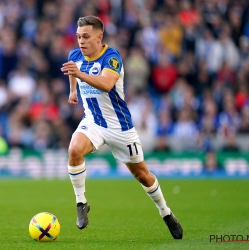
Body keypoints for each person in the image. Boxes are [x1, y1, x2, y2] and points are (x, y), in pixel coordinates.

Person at [61, 15, 183, 239]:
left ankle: (166, 213)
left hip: (120, 127)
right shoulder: (75, 55)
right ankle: (81, 202)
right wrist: (72, 90)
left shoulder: (112, 57)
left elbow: (107, 84)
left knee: (143, 176)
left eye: (86, 37)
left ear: (99, 38)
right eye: (78, 37)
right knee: (74, 150)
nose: (81, 41)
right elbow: (72, 69)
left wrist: (79, 74)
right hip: (93, 121)